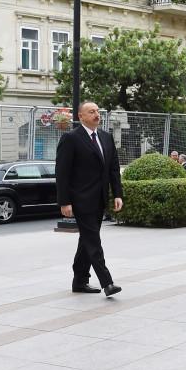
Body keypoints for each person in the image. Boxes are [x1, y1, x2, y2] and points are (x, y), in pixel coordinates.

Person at [55, 101, 123, 297]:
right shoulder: (71, 138)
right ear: (80, 116)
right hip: (80, 199)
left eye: (98, 111)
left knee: (86, 240)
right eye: (91, 112)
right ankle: (107, 282)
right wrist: (64, 201)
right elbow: (62, 172)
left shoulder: (106, 137)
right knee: (93, 240)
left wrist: (117, 193)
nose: (96, 115)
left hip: (99, 198)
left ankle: (80, 280)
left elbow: (113, 169)